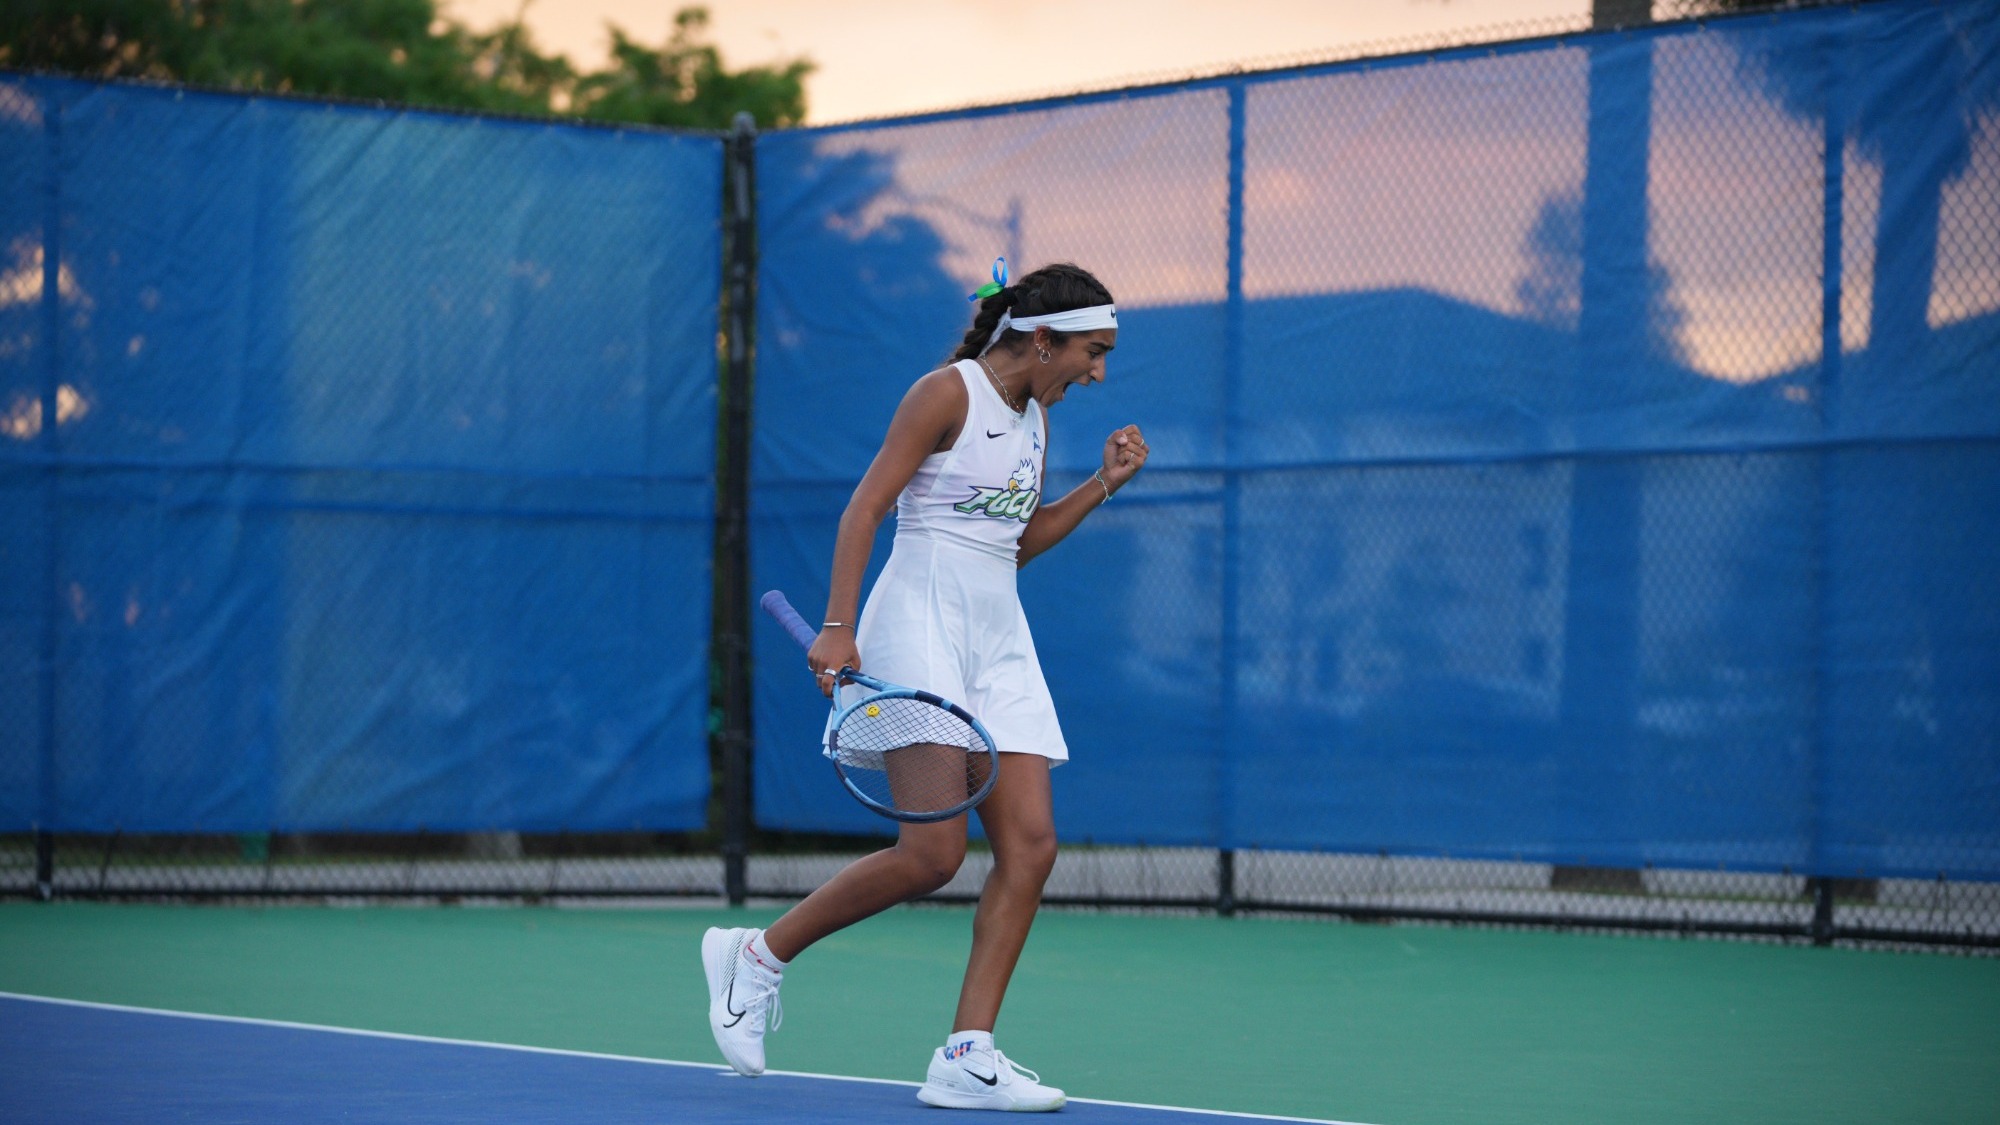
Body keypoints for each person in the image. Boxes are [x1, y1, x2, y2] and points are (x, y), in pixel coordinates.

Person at [701, 260, 1147, 1112]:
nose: (1098, 373)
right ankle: (754, 956)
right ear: (1043, 338)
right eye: (1092, 352)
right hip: (919, 627)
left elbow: (1009, 545)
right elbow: (864, 507)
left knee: (1031, 847)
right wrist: (839, 621)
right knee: (933, 855)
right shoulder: (944, 394)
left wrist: (1099, 486)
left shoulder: (1036, 423)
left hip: (998, 638)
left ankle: (967, 1052)